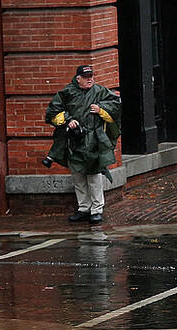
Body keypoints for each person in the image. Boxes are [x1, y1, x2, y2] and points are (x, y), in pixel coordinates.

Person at [44, 65, 121, 224]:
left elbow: (116, 106)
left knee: (93, 176)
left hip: (93, 140)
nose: (89, 79)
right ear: (78, 78)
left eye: (91, 76)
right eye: (86, 77)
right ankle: (83, 208)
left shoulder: (100, 91)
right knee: (78, 176)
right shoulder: (67, 92)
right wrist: (68, 120)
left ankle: (97, 209)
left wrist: (101, 109)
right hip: (74, 141)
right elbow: (53, 111)